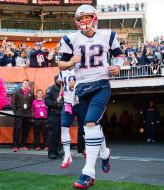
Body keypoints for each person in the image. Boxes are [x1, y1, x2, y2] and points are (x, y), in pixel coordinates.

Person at [58, 4, 123, 189]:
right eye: (81, 18)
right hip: (81, 88)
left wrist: (118, 66)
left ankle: (88, 173)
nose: (85, 21)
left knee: (90, 124)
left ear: (94, 17)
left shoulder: (108, 35)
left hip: (101, 84)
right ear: (77, 21)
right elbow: (61, 65)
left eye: (88, 17)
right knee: (91, 128)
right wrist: (70, 61)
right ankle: (104, 152)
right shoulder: (70, 38)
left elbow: (119, 55)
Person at [58, 68, 85, 168]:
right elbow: (62, 84)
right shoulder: (62, 71)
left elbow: (86, 84)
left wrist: (76, 85)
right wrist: (60, 95)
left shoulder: (80, 68)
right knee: (64, 127)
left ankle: (87, 149)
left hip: (79, 103)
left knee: (84, 129)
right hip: (67, 103)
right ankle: (67, 155)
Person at [12, 79, 34, 152]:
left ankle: (23, 145)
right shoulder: (17, 92)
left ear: (28, 85)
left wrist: (31, 113)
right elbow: (13, 103)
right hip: (19, 113)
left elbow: (32, 104)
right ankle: (15, 146)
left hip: (27, 114)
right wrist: (15, 112)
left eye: (27, 83)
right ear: (22, 84)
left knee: (25, 130)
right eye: (25, 83)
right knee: (17, 130)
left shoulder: (31, 93)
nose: (26, 85)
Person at [44, 75, 63, 159]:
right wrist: (56, 103)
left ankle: (57, 151)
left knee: (59, 134)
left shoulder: (64, 89)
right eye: (58, 79)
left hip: (61, 114)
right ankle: (51, 152)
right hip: (53, 114)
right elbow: (47, 101)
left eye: (60, 79)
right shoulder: (50, 89)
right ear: (55, 80)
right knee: (52, 134)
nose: (60, 80)